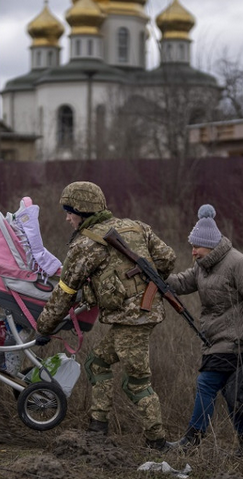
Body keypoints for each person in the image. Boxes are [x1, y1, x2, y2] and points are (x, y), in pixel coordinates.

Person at [35, 181, 176, 451]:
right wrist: (141, 282)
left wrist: (43, 328)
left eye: (69, 211)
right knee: (96, 364)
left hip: (132, 320)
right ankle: (97, 428)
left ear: (84, 211)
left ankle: (157, 442)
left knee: (136, 382)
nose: (67, 218)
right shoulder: (137, 226)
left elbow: (64, 292)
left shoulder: (85, 244)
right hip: (141, 314)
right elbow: (168, 259)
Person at [165, 204, 243, 459]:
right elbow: (181, 283)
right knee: (233, 396)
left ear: (210, 245)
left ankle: (193, 438)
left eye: (196, 247)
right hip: (215, 340)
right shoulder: (204, 267)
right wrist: (156, 276)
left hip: (236, 341)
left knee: (206, 383)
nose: (193, 251)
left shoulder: (240, 264)